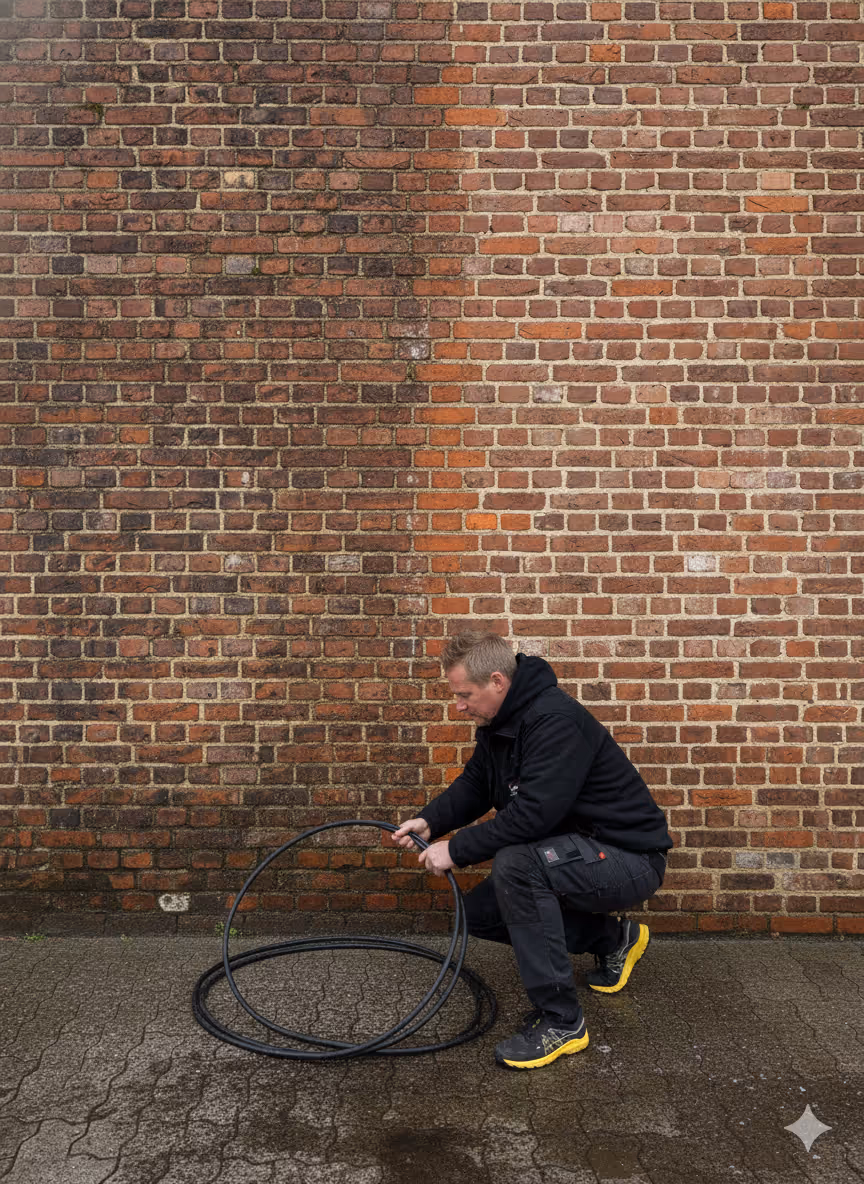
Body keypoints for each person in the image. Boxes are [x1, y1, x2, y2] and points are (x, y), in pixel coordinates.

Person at [393, 630, 672, 1071]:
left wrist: (456, 850)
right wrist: (431, 821)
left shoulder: (553, 721)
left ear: (498, 681)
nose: (459, 705)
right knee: (480, 913)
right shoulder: (499, 723)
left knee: (518, 865)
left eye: (465, 694)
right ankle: (614, 939)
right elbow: (476, 785)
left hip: (628, 859)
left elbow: (534, 816)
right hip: (573, 852)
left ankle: (562, 1021)